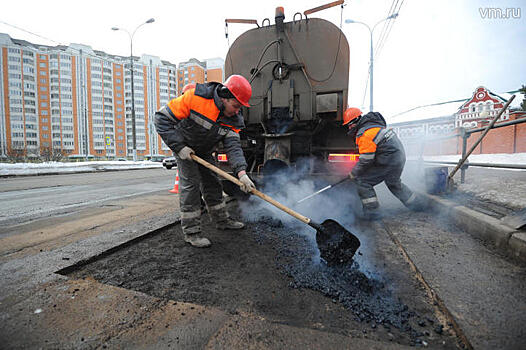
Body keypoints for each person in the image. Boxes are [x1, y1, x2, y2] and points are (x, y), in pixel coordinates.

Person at [155, 75, 256, 247]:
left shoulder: (233, 119)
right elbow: (161, 119)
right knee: (191, 185)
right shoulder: (195, 98)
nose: (237, 111)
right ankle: (192, 233)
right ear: (224, 97)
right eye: (236, 106)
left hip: (205, 149)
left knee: (213, 183)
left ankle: (222, 221)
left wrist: (242, 174)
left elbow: (233, 147)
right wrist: (179, 147)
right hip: (185, 148)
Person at [343, 107, 423, 219]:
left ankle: (373, 213)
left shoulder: (365, 134)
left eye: (350, 124)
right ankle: (418, 204)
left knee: (362, 182)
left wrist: (354, 173)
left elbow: (366, 160)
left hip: (389, 160)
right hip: (398, 157)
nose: (349, 127)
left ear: (356, 121)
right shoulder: (373, 127)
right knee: (393, 183)